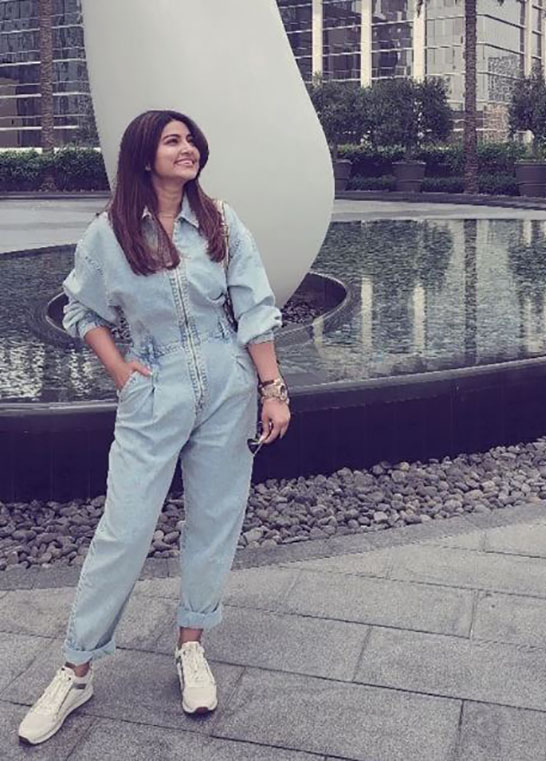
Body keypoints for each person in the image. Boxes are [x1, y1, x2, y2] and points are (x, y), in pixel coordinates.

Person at [17, 109, 291, 745]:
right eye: (172, 140)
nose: (187, 147)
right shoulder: (108, 234)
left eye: (191, 138)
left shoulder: (220, 221)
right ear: (145, 156)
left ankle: (191, 645)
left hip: (227, 385)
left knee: (214, 518)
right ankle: (76, 670)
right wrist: (119, 369)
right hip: (152, 390)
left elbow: (253, 306)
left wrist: (272, 389)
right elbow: (81, 309)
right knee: (124, 530)